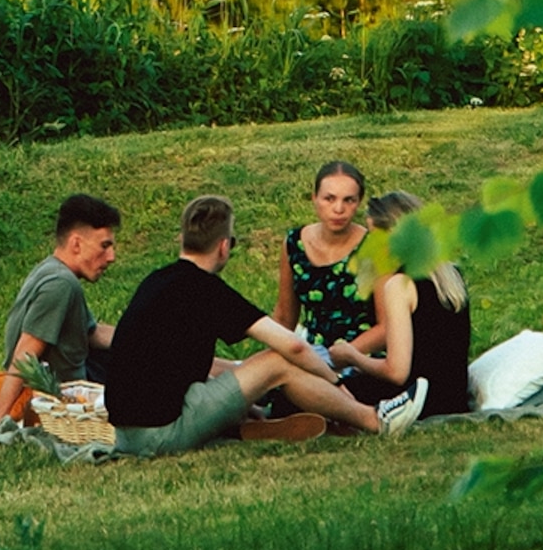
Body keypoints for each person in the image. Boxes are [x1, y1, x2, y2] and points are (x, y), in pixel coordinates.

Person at [102, 195, 425, 456]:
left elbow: (176, 363)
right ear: (224, 245)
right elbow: (292, 344)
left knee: (262, 365)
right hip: (160, 436)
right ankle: (373, 419)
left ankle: (259, 421)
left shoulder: (156, 281)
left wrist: (246, 392)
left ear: (182, 239)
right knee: (276, 361)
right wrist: (336, 381)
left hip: (127, 436)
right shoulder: (206, 288)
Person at [330, 191, 468, 422]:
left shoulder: (399, 285)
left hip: (414, 400)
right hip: (452, 398)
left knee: (302, 389)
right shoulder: (450, 276)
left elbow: (396, 372)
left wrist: (352, 356)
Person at [0, 194, 123, 422]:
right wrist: (0, 421)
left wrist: (143, 338)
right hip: (69, 397)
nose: (111, 257)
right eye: (104, 246)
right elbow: (25, 355)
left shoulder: (50, 270)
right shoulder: (60, 285)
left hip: (91, 368)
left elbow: (92, 333)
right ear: (76, 244)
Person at [273, 159, 376, 354]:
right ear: (314, 198)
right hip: (312, 352)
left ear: (359, 202)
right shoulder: (295, 243)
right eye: (329, 198)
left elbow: (387, 326)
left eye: (349, 200)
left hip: (363, 356)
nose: (338, 209)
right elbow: (285, 317)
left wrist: (341, 356)